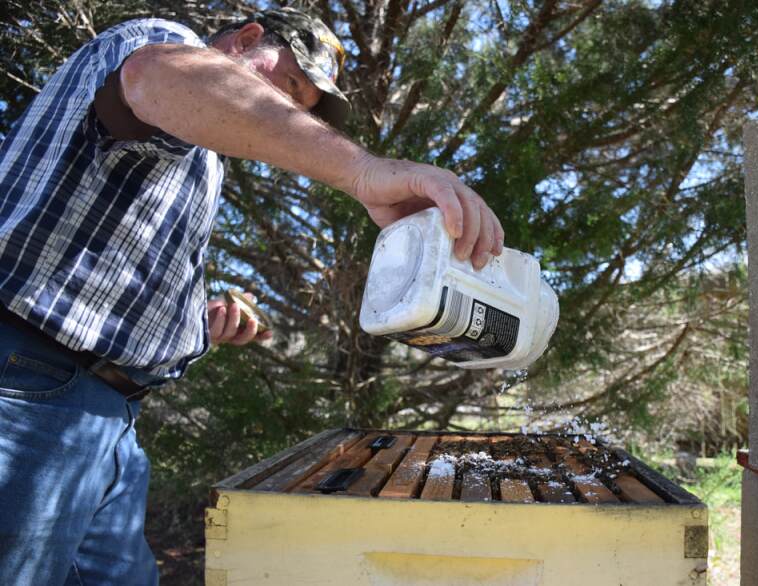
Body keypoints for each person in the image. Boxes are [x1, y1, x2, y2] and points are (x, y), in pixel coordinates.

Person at [0, 7, 504, 584]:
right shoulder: (167, 44)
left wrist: (198, 322)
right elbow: (154, 77)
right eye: (290, 84)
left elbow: (103, 262)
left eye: (300, 106)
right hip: (27, 383)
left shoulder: (198, 152)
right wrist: (363, 172)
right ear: (245, 40)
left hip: (106, 416)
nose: (287, 109)